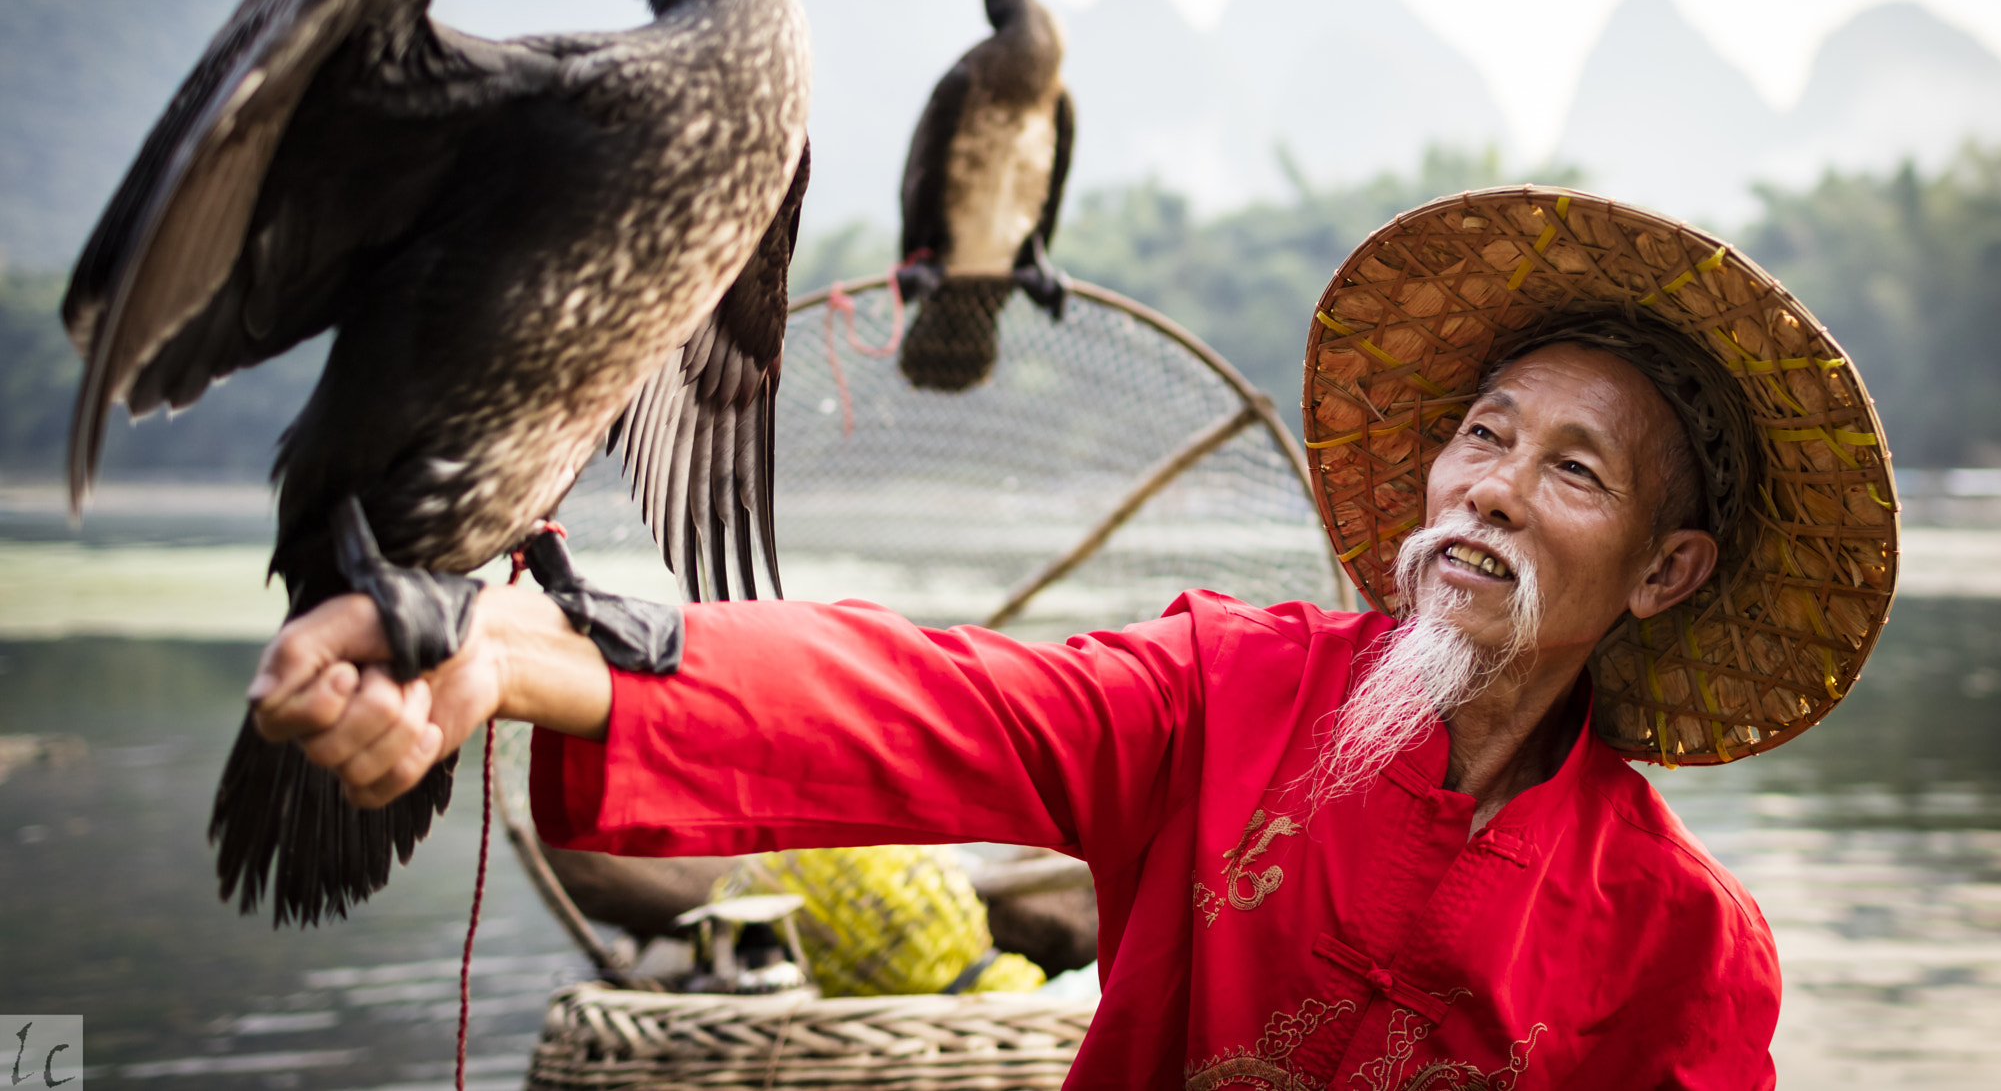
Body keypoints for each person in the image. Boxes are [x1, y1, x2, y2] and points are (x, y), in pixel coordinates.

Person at [246, 190, 1899, 1089]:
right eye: (1482, 432)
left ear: (1665, 570)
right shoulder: (1227, 691)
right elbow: (935, 698)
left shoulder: (1682, 943)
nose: (1488, 489)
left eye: (1572, 470)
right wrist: (529, 650)